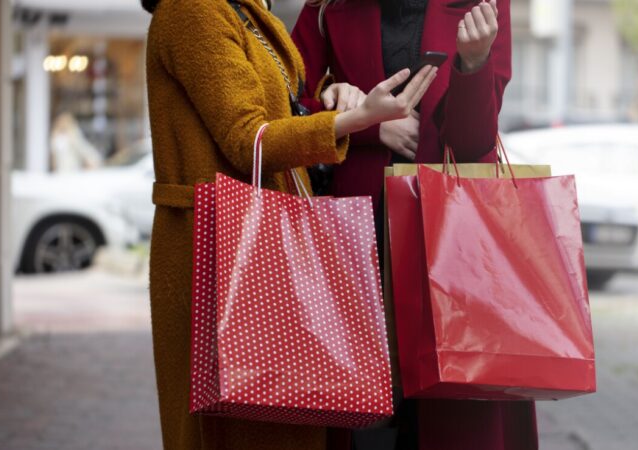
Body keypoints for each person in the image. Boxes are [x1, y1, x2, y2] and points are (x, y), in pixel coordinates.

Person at [140, 0, 437, 449]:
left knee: (274, 414)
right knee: (240, 424)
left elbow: (279, 110)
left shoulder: (243, 10)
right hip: (221, 249)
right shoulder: (194, 9)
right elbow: (248, 138)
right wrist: (357, 120)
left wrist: (332, 96)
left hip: (252, 238)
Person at [292, 0, 539, 448]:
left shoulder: (482, 5)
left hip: (453, 239)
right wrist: (365, 125)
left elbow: (473, 143)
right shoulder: (329, 5)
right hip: (357, 235)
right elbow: (289, 103)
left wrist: (474, 62)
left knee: (452, 416)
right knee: (360, 413)